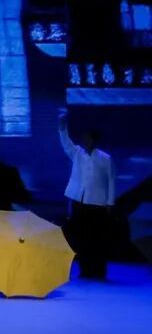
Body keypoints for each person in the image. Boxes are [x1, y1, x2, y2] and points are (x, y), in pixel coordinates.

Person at [59, 110, 116, 279]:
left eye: (89, 138)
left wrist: (110, 202)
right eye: (84, 138)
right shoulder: (77, 153)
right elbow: (66, 144)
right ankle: (85, 270)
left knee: (96, 238)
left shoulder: (105, 158)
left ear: (94, 140)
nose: (85, 141)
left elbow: (111, 180)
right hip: (79, 201)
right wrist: (62, 128)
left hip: (97, 203)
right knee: (81, 237)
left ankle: (98, 270)